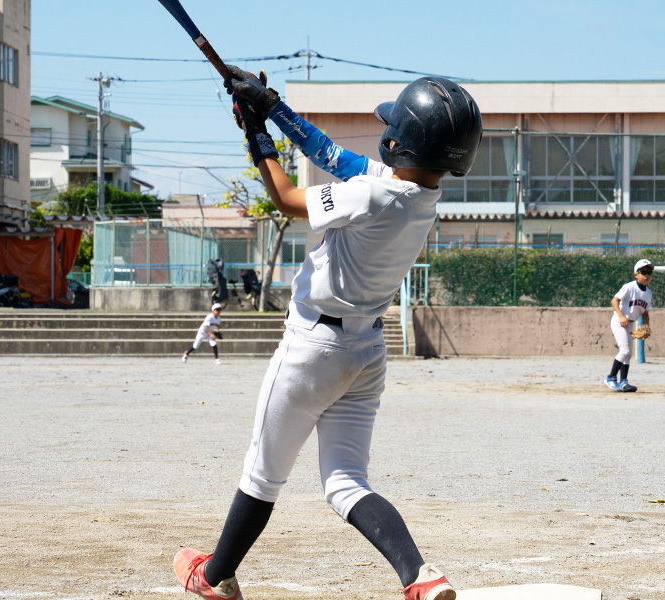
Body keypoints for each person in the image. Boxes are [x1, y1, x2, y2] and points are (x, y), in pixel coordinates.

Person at [172, 67, 482, 600]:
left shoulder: (369, 195)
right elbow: (331, 153)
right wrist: (270, 108)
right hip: (366, 353)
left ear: (396, 142)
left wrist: (255, 135)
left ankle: (216, 576)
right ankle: (420, 577)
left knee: (263, 474)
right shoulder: (419, 196)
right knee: (345, 482)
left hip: (312, 349)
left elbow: (287, 199)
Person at [604, 259, 653, 392]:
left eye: (649, 272)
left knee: (629, 353)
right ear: (636, 274)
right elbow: (614, 300)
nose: (647, 275)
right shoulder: (629, 287)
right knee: (624, 350)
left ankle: (624, 382)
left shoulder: (648, 293)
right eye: (644, 272)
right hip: (619, 322)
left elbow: (645, 313)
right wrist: (620, 316)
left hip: (630, 324)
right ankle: (611, 378)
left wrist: (646, 327)